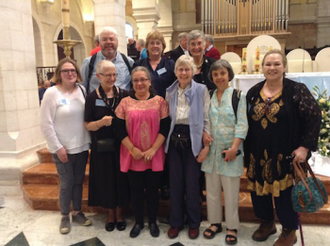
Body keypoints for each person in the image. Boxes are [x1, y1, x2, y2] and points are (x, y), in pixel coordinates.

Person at [244, 49, 321, 246]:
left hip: (285, 153)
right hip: (257, 151)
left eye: (277, 64)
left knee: (285, 193)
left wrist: (304, 147)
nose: (272, 68)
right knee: (259, 191)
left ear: (284, 66)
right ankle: (267, 222)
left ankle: (289, 230)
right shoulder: (253, 92)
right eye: (268, 64)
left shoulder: (296, 91)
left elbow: (313, 117)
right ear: (262, 68)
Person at [115, 66, 170, 238]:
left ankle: (152, 222)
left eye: (143, 79)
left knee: (153, 190)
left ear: (149, 81)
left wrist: (154, 149)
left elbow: (165, 128)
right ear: (132, 83)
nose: (140, 83)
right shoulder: (125, 103)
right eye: (136, 80)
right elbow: (118, 129)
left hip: (154, 155)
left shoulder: (160, 102)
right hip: (133, 155)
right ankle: (139, 222)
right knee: (136, 190)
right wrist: (133, 149)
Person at [40, 58, 92, 234]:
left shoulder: (82, 90)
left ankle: (77, 212)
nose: (70, 73)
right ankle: (64, 216)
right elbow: (46, 124)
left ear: (77, 73)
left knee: (78, 182)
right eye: (65, 71)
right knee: (66, 183)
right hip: (62, 147)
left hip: (82, 145)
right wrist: (57, 147)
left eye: (73, 70)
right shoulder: (51, 93)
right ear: (59, 74)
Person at [201, 60, 248, 245]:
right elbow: (206, 120)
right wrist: (205, 134)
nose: (219, 77)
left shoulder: (238, 95)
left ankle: (232, 226)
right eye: (215, 74)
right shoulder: (210, 95)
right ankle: (214, 223)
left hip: (230, 152)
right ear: (211, 77)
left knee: (230, 192)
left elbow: (242, 124)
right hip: (211, 152)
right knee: (212, 190)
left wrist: (235, 148)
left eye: (222, 73)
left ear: (229, 74)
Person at [165, 55, 210, 240]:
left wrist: (205, 144)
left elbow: (206, 116)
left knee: (192, 184)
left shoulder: (201, 90)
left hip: (194, 138)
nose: (183, 73)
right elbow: (166, 118)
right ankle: (175, 222)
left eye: (187, 69)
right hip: (174, 138)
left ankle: (193, 222)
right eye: (180, 69)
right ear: (176, 72)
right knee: (175, 183)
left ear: (193, 71)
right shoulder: (170, 91)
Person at [84, 60, 130, 232]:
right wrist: (100, 123)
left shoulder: (124, 94)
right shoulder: (92, 97)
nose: (112, 78)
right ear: (98, 76)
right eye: (108, 75)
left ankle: (120, 214)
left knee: (121, 180)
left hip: (122, 144)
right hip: (102, 147)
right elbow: (87, 124)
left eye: (114, 75)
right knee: (106, 181)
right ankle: (110, 215)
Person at [81, 26, 134, 93]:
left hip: (123, 102)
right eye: (104, 39)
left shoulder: (129, 62)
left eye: (111, 39)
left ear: (117, 42)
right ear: (99, 42)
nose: (108, 42)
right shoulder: (88, 63)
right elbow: (82, 88)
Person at [133, 30, 176, 99]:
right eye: (152, 43)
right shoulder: (139, 64)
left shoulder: (170, 64)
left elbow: (176, 87)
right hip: (143, 105)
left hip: (166, 105)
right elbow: (133, 86)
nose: (155, 46)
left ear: (163, 46)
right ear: (147, 46)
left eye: (158, 43)